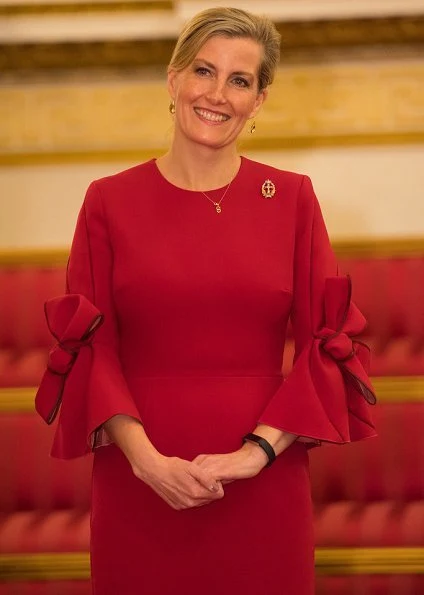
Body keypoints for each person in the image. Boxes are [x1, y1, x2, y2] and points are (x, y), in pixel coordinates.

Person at [35, 7, 377, 595]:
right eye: (204, 71)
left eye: (240, 80)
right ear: (173, 78)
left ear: (259, 100)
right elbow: (92, 348)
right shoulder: (107, 202)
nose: (217, 94)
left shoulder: (292, 198)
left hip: (263, 483)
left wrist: (253, 455)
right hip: (137, 482)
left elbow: (327, 343)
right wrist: (147, 463)